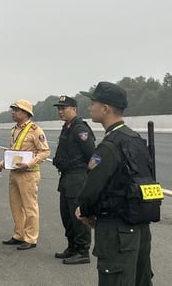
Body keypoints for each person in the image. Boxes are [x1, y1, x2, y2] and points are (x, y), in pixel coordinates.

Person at [75, 81, 154, 285]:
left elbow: (91, 190)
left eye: (93, 103)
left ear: (105, 108)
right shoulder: (135, 139)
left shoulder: (109, 146)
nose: (89, 107)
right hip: (139, 227)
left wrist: (84, 211)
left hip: (116, 230)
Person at [0, 99, 50, 250]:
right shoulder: (14, 130)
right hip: (15, 173)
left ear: (26, 113)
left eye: (17, 110)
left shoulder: (35, 130)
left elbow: (45, 152)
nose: (13, 112)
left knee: (29, 207)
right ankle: (19, 235)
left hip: (29, 174)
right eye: (13, 109)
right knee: (16, 206)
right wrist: (2, 164)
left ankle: (31, 238)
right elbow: (13, 151)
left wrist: (29, 163)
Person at [52, 95, 95, 264]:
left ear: (74, 109)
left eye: (64, 108)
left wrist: (90, 177)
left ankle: (82, 251)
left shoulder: (80, 129)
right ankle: (72, 247)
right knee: (67, 215)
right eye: (59, 109)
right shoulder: (68, 127)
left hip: (78, 178)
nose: (60, 111)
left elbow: (93, 155)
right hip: (66, 178)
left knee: (78, 216)